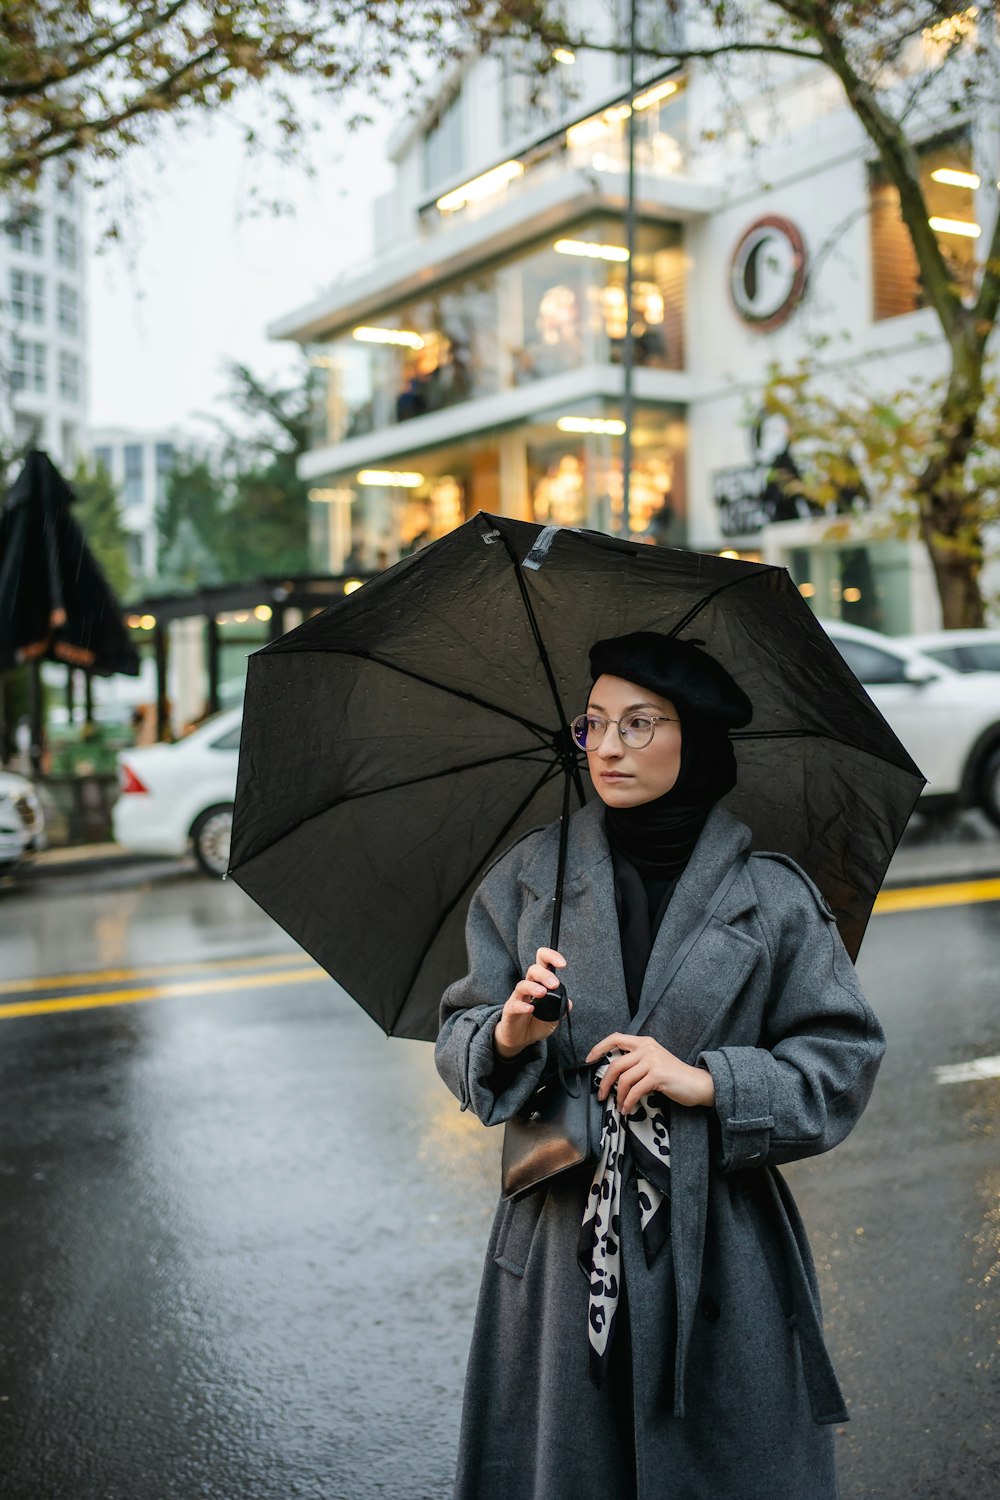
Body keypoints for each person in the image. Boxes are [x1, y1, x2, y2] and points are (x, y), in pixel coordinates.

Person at [435, 630, 886, 1500]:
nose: (607, 747)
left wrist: (710, 1081)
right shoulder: (530, 879)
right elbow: (460, 1036)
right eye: (594, 723)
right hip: (565, 1251)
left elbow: (840, 1059)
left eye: (639, 724)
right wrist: (510, 1034)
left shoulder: (775, 896)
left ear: (700, 742)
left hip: (722, 1246)